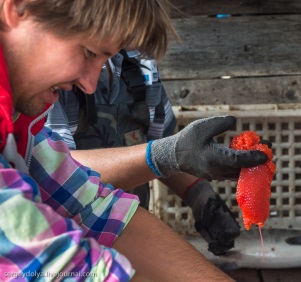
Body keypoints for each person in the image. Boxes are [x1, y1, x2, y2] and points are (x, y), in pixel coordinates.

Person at [0, 0, 269, 281]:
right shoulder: (39, 91)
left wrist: (199, 194)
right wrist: (167, 155)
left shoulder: (24, 121)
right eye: (88, 52)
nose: (90, 84)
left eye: (104, 60)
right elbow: (53, 267)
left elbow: (90, 204)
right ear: (18, 9)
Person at [45, 49, 242, 256]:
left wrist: (201, 196)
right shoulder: (57, 75)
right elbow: (57, 169)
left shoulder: (140, 63)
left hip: (135, 236)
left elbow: (158, 144)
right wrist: (167, 155)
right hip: (74, 247)